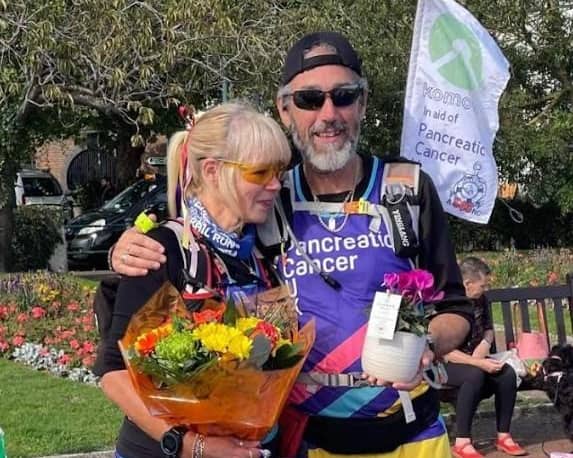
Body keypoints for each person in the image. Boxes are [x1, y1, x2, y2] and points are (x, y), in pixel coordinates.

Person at [110, 32, 473, 457]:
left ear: (363, 103)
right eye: (308, 100)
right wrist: (129, 245)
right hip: (306, 440)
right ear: (285, 110)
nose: (328, 113)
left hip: (410, 434)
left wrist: (427, 345)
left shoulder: (407, 189)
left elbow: (456, 308)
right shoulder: (267, 198)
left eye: (344, 96)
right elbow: (201, 222)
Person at [94, 102, 291, 458]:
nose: (276, 184)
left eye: (280, 170)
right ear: (213, 171)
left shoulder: (263, 248)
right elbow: (112, 372)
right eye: (260, 172)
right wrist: (190, 445)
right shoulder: (161, 249)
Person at [446, 257, 527, 458]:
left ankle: (504, 436)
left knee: (506, 372)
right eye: (483, 285)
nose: (485, 288)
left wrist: (484, 343)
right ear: (467, 284)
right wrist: (477, 362)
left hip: (475, 360)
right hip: (447, 365)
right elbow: (443, 350)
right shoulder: (446, 302)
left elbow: (489, 328)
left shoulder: (481, 299)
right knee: (474, 375)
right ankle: (462, 442)